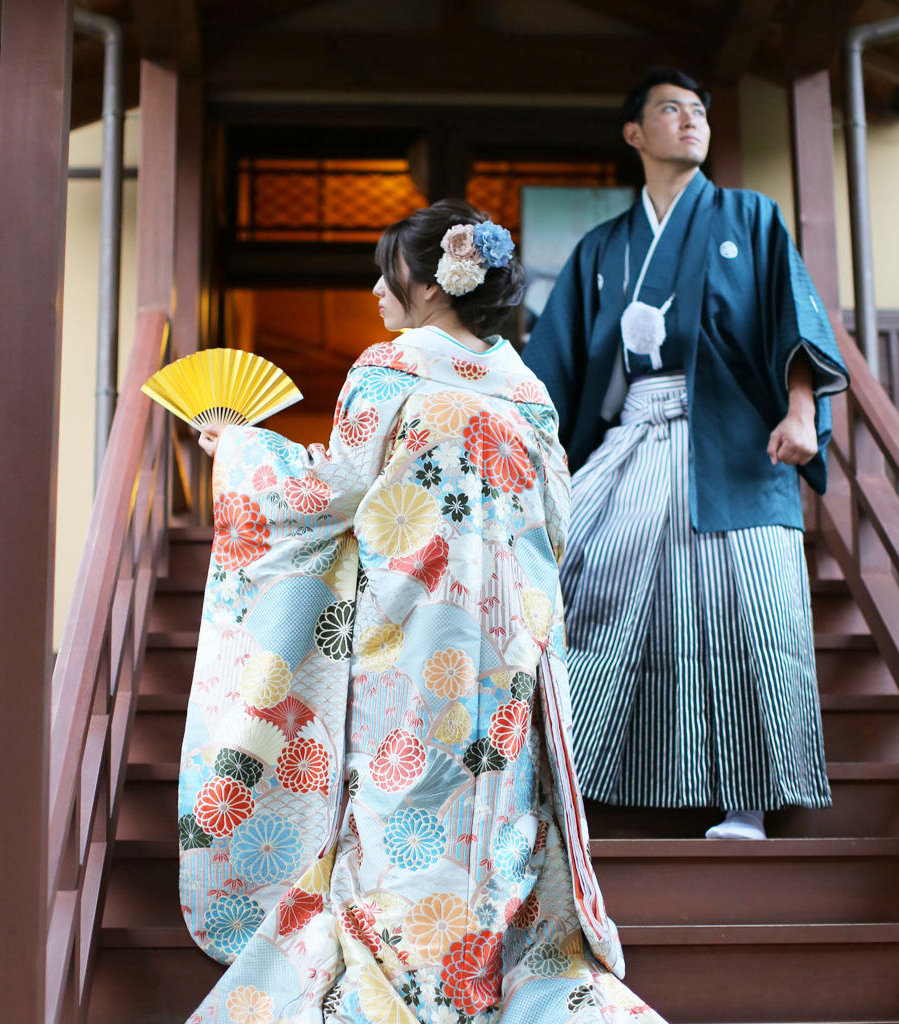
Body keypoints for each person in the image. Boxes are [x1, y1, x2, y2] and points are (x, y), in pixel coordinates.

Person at [179, 200, 664, 1023]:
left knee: (406, 797)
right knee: (497, 812)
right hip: (513, 646)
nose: (375, 289)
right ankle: (492, 972)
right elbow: (558, 518)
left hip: (411, 641)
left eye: (386, 272)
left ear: (431, 285)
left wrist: (239, 449)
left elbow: (327, 492)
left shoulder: (390, 370)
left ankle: (412, 982)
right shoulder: (529, 392)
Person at [522, 69, 849, 841]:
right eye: (671, 110)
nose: (691, 121)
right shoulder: (604, 247)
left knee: (754, 614)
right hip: (633, 437)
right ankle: (567, 782)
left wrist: (801, 411)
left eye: (699, 110)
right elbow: (553, 368)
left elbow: (791, 323)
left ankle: (747, 806)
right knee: (575, 586)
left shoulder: (751, 217)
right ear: (634, 134)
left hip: (738, 449)